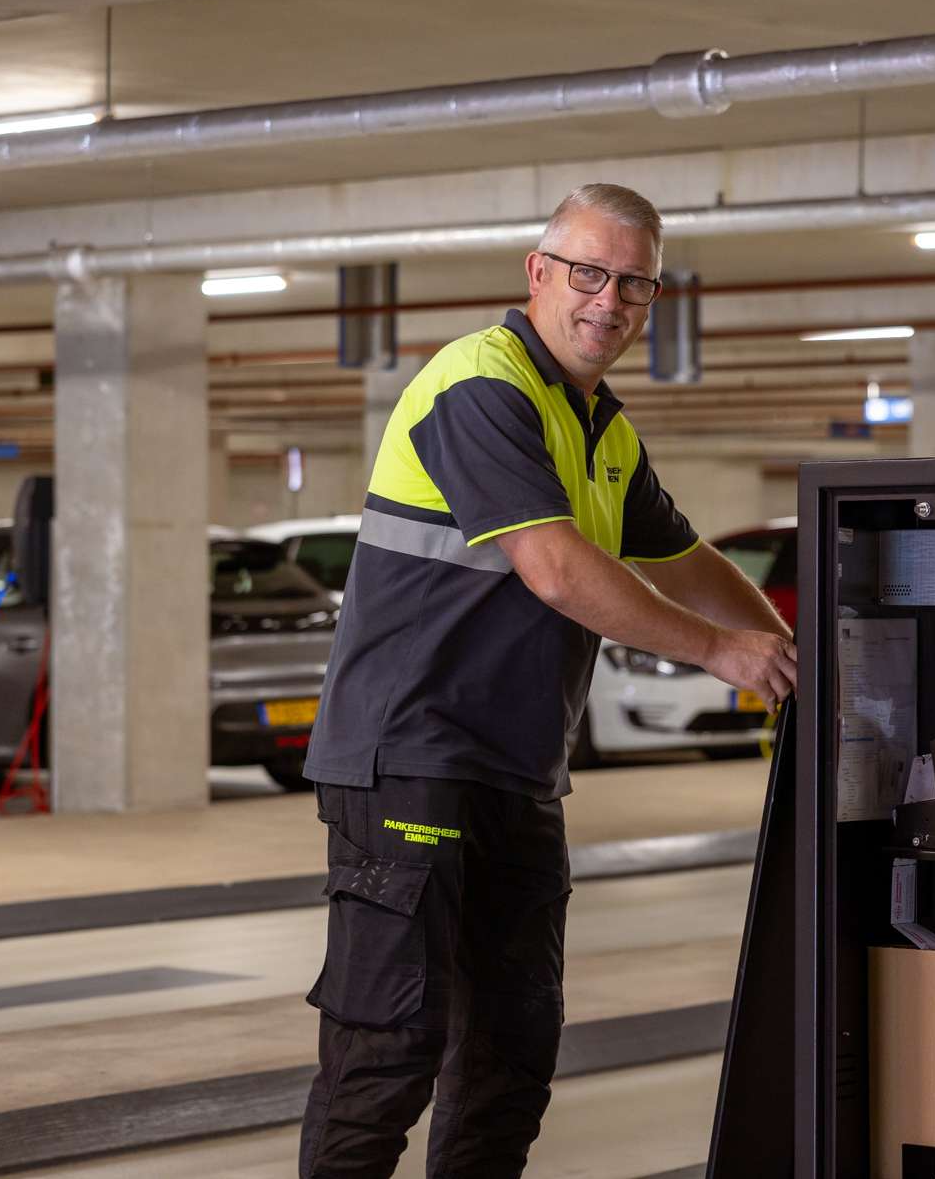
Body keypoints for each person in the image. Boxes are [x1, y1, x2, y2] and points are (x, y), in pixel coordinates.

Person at [298, 183, 797, 1177]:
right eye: (588, 272)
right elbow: (555, 566)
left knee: (511, 1049)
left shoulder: (600, 426)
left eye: (634, 283)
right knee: (389, 1046)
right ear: (538, 273)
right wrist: (717, 652)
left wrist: (793, 653)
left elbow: (684, 556)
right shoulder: (480, 386)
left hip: (515, 771)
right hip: (409, 756)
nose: (607, 300)